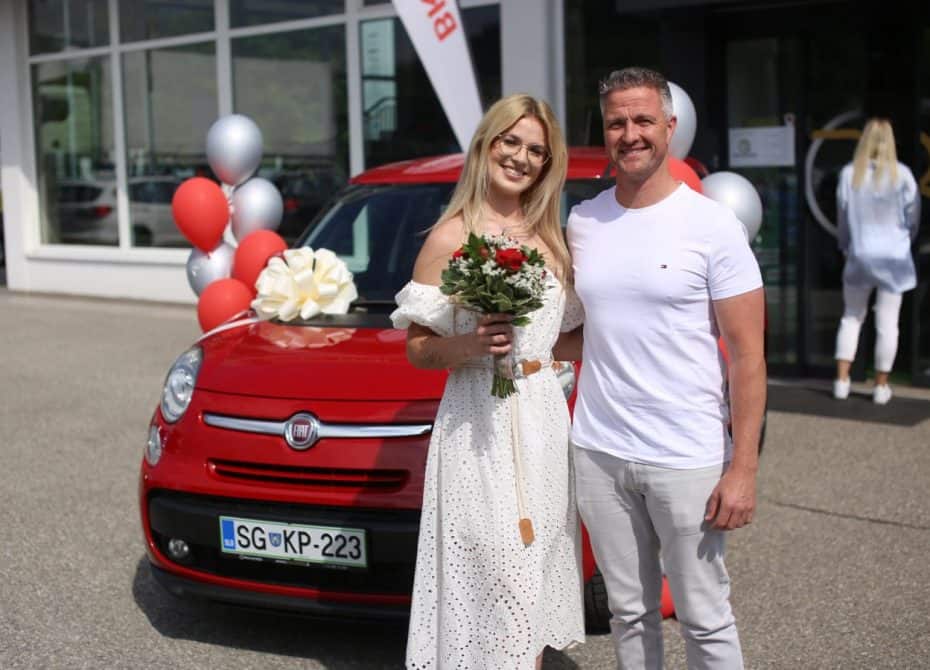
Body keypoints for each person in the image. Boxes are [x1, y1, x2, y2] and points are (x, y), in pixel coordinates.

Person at [554, 67, 766, 669]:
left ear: (670, 127)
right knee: (628, 613)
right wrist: (507, 338)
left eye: (643, 120)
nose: (630, 134)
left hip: (686, 456)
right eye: (616, 122)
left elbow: (748, 355)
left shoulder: (712, 225)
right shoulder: (584, 222)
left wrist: (743, 468)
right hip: (599, 451)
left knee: (705, 617)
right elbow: (593, 334)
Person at [390, 94, 585, 669]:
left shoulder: (553, 240)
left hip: (543, 421)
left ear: (547, 165)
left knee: (533, 566)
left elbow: (561, 338)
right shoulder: (449, 238)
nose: (521, 158)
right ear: (486, 144)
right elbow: (418, 349)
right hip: (476, 423)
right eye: (511, 141)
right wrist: (471, 345)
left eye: (536, 151)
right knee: (495, 569)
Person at [832, 118, 920, 405]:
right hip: (894, 258)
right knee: (888, 323)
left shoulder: (850, 174)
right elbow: (913, 217)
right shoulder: (902, 175)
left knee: (851, 317)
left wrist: (845, 246)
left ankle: (842, 381)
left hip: (859, 254)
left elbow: (842, 218)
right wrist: (905, 240)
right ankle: (881, 386)